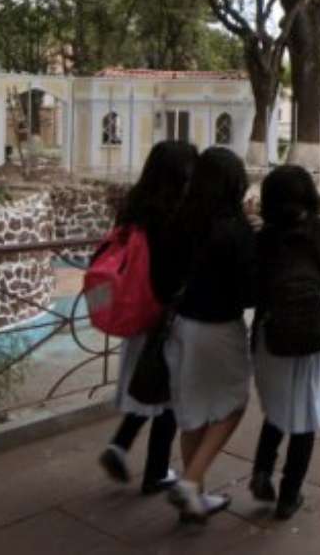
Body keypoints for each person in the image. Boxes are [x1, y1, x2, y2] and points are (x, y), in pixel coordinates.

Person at [98, 139, 197, 495]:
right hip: (166, 316)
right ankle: (156, 471)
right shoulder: (179, 215)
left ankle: (120, 444)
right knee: (168, 396)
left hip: (135, 310)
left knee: (147, 382)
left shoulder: (134, 207)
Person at [164, 147, 256, 523]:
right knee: (233, 404)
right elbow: (249, 291)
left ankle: (194, 498)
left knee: (193, 412)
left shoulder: (180, 222)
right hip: (220, 328)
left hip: (181, 327)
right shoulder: (235, 230)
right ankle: (191, 482)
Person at [248, 165, 320, 520]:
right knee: (307, 410)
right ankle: (289, 495)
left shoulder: (263, 239)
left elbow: (255, 288)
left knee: (278, 405)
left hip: (272, 333)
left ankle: (262, 469)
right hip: (317, 332)